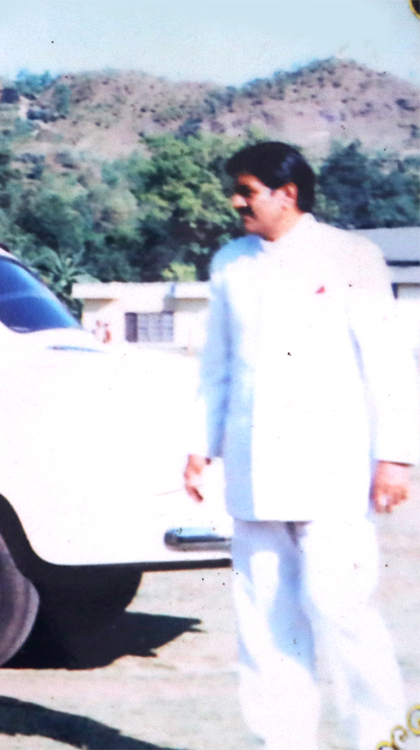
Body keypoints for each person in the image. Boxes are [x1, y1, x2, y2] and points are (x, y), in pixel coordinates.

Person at [184, 141, 419, 750]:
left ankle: (388, 741)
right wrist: (198, 445)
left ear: (286, 194)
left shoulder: (350, 255)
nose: (236, 201)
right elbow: (217, 366)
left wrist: (395, 456)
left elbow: (388, 362)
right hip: (254, 471)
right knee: (264, 624)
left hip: (331, 468)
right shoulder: (230, 263)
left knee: (341, 611)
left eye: (247, 190)